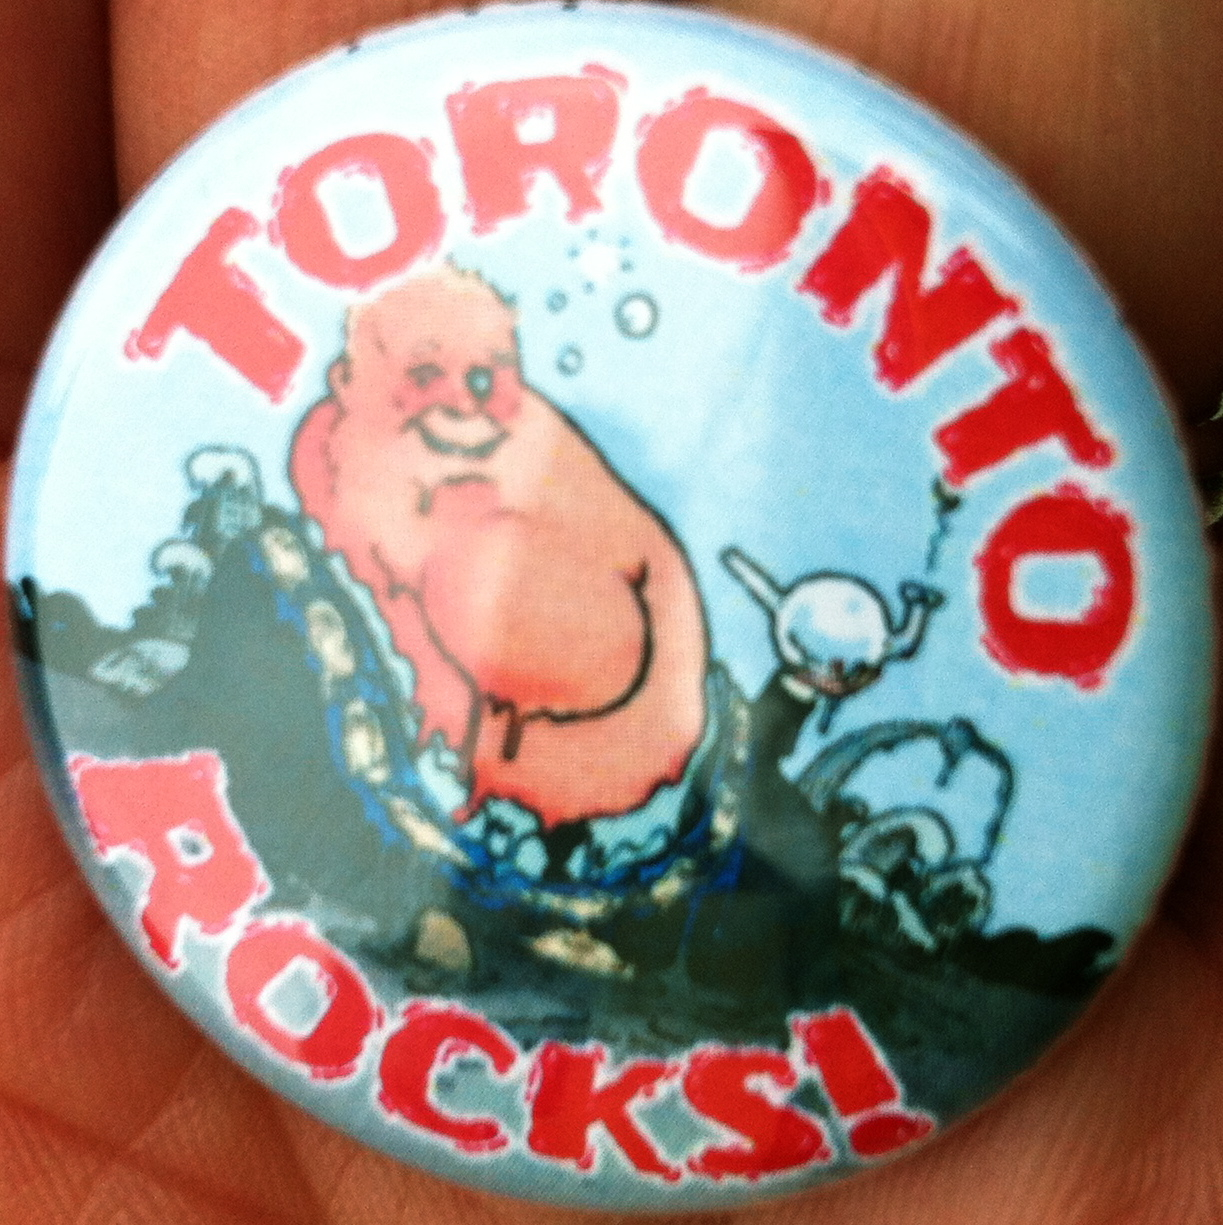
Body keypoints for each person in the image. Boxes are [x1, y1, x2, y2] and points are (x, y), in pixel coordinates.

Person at [1, 2, 1221, 1221]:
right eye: (427, 380)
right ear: (356, 375)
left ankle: (604, 912)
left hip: (624, 781)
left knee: (691, 859)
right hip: (498, 805)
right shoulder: (343, 477)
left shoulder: (547, 503)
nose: (463, 406)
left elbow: (619, 652)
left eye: (485, 379)